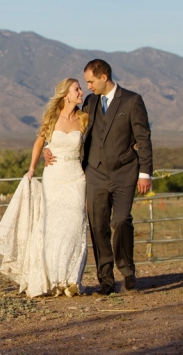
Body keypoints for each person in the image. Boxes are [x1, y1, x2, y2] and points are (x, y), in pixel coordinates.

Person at [45, 59, 153, 296]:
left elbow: (143, 138)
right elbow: (67, 125)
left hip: (124, 172)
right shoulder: (90, 102)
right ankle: (106, 280)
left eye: (91, 81)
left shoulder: (132, 100)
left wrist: (145, 173)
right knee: (98, 225)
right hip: (94, 173)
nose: (88, 87)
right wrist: (48, 147)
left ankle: (127, 271)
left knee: (121, 221)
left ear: (104, 77)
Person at [0, 78, 89, 298]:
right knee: (53, 229)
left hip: (76, 177)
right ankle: (54, 279)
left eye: (80, 88)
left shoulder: (84, 118)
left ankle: (72, 279)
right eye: (77, 89)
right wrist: (32, 168)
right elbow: (39, 142)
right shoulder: (51, 118)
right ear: (66, 95)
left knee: (74, 226)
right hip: (54, 176)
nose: (81, 92)